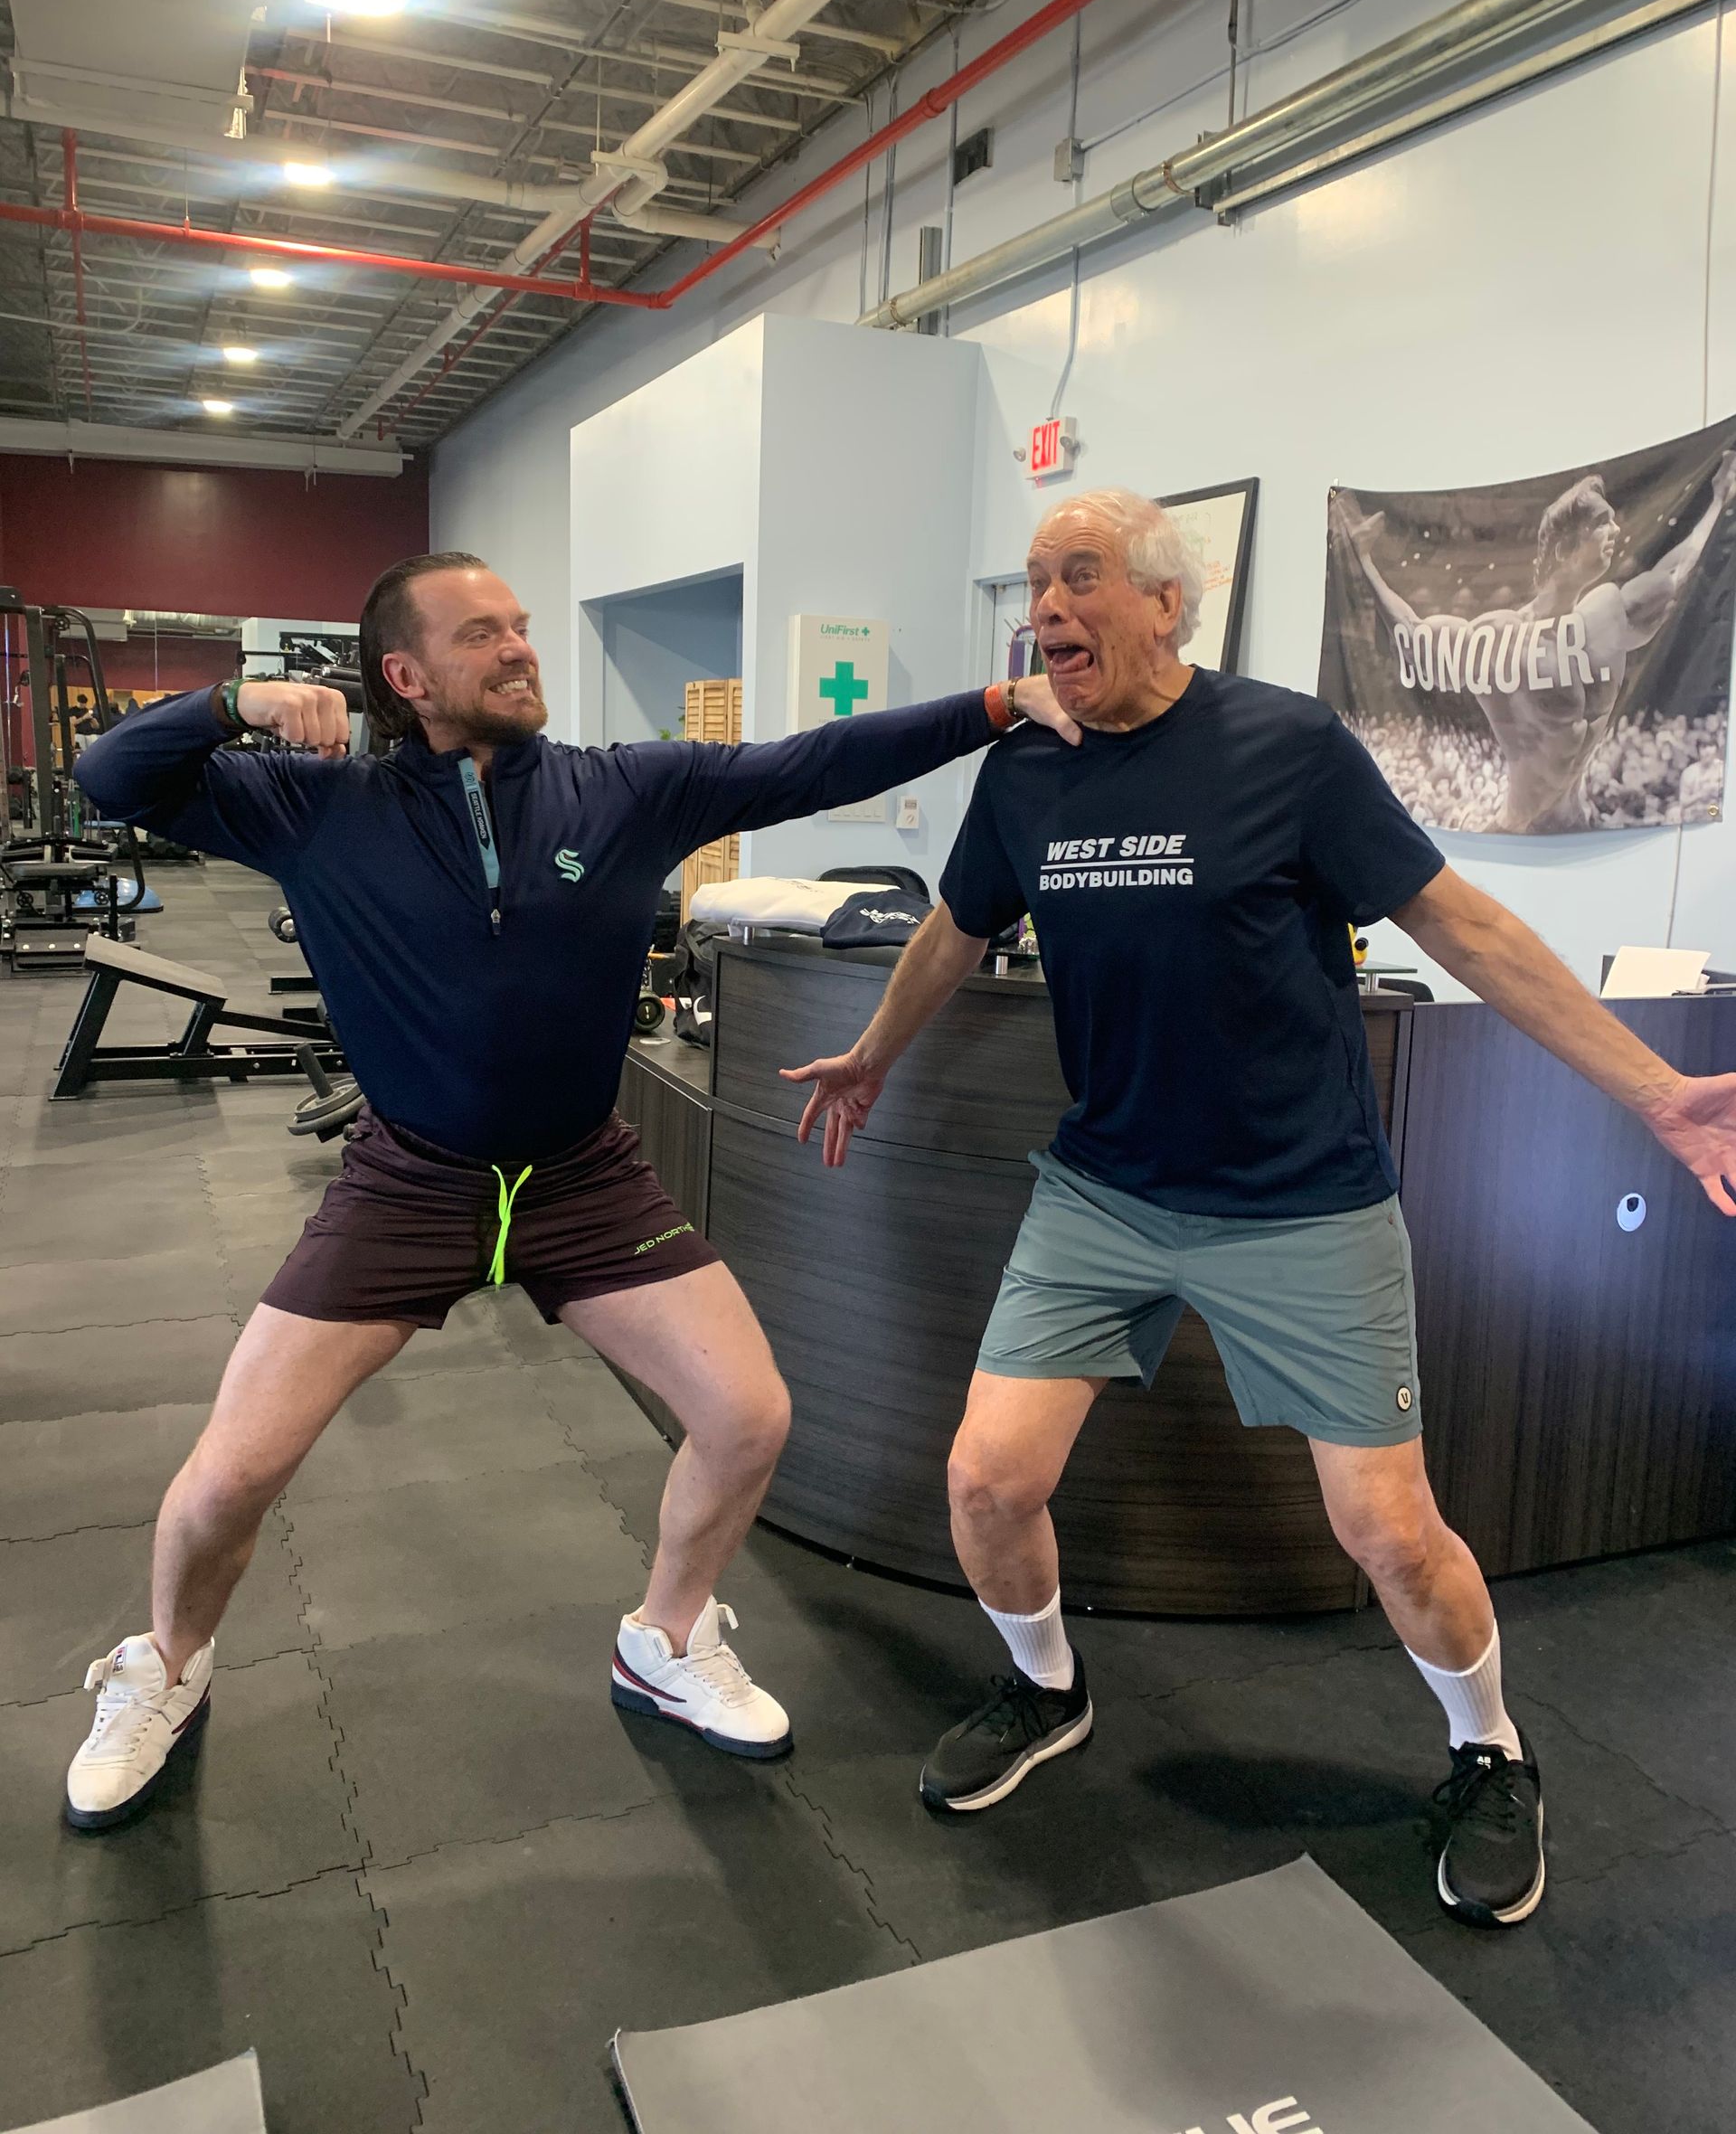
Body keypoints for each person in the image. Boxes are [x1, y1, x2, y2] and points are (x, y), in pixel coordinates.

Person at [785, 487, 1736, 1931]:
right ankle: (1047, 1689)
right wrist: (873, 1053)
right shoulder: (1028, 769)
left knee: (1391, 1533)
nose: (1047, 610)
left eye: (1080, 579)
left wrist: (1655, 1092)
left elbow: (1460, 924)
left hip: (1301, 1204)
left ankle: (1492, 1752)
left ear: (1168, 604)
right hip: (1104, 1189)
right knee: (986, 1481)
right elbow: (955, 926)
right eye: (1035, 586)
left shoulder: (1283, 746)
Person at [61, 551, 1076, 1831]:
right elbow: (111, 778)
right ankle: (164, 1671)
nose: (520, 647)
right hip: (409, 1179)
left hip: (583, 1175)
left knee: (748, 1415)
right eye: (484, 633)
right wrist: (236, 708)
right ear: (406, 675)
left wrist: (995, 708)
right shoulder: (310, 803)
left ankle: (664, 1636)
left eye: (523, 626)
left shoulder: (625, 789)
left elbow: (815, 761)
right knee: (224, 1481)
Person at [1333, 452, 1736, 832]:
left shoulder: (1605, 614)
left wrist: (1717, 502)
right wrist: (1365, 559)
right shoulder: (1498, 637)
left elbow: (1674, 575)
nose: (1616, 530)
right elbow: (1412, 631)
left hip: (1581, 824)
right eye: (1602, 522)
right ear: (1566, 546)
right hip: (1516, 831)